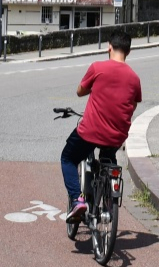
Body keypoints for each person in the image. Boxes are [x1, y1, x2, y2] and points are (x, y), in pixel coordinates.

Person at [61, 29, 142, 223]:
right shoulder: (134, 78)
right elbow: (133, 103)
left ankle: (76, 200)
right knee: (107, 157)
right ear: (128, 52)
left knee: (67, 158)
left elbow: (80, 91)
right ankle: (106, 200)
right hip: (117, 135)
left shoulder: (98, 68)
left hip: (91, 132)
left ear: (109, 47)